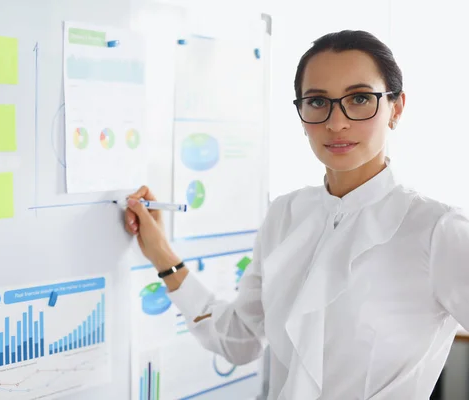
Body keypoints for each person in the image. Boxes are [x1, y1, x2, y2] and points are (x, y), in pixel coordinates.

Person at [123, 30, 469, 400]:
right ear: (302, 114)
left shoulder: (437, 230)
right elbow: (240, 341)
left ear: (396, 108)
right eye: (318, 102)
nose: (337, 122)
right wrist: (161, 254)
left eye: (360, 98)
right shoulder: (285, 215)